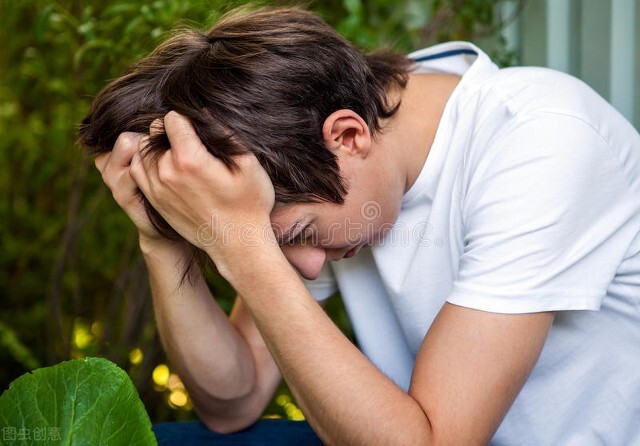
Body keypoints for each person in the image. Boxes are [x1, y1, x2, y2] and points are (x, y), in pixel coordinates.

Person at [79, 6, 640, 446]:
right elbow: (235, 401)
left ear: (349, 136)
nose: (303, 266)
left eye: (296, 235)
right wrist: (164, 238)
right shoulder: (321, 151)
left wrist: (246, 244)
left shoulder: (543, 141)